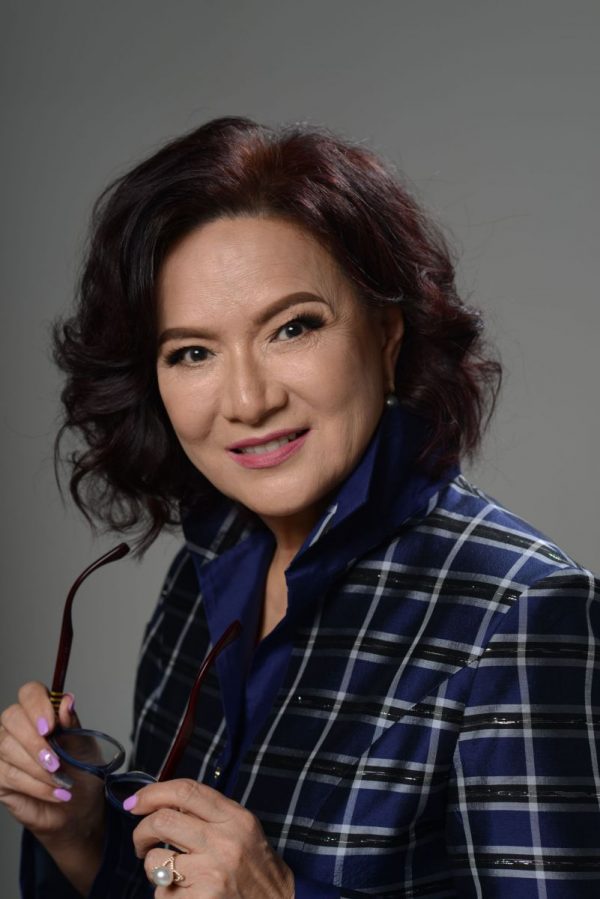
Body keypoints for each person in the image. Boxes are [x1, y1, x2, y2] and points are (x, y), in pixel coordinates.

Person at [1, 116, 598, 899]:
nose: (248, 400)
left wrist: (281, 896)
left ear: (386, 336)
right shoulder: (201, 576)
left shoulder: (521, 611)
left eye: (293, 327)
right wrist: (81, 834)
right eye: (192, 352)